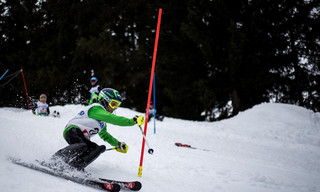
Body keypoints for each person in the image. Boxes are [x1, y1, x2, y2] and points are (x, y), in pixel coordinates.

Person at [51, 88, 145, 171]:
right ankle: (55, 160)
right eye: (113, 104)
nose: (114, 108)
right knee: (82, 146)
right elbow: (113, 119)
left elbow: (104, 135)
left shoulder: (102, 122)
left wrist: (118, 144)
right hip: (72, 130)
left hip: (82, 137)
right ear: (104, 100)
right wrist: (132, 121)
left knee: (97, 148)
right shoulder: (96, 108)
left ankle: (75, 166)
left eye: (117, 105)